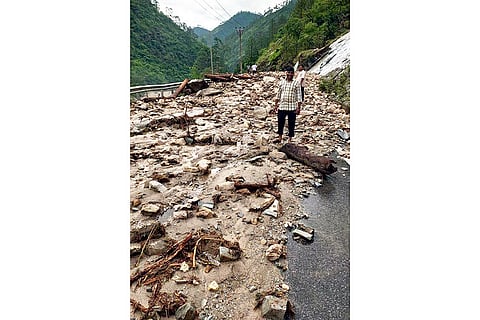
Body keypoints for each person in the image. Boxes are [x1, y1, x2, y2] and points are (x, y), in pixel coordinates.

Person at [272, 66, 302, 143]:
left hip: (292, 107)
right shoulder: (282, 82)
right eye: (288, 72)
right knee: (280, 122)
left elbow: (299, 96)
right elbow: (278, 94)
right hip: (282, 106)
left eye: (291, 73)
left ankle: (290, 139)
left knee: (291, 123)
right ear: (286, 73)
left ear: (294, 74)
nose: (290, 74)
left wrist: (298, 108)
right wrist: (275, 105)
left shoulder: (296, 83)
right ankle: (280, 137)